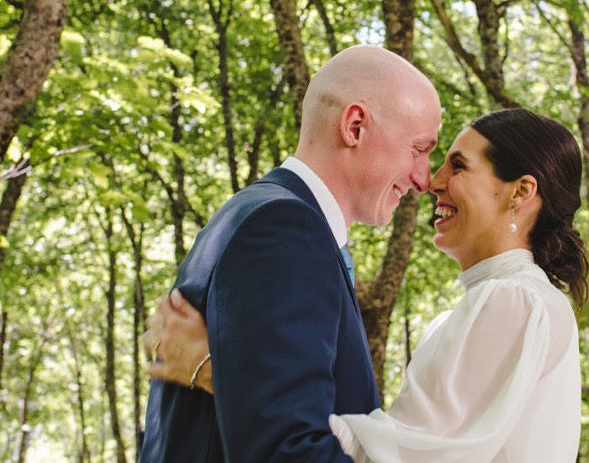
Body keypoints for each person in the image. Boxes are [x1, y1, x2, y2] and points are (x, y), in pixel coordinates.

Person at [147, 108, 589, 462]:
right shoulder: (510, 301)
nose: (432, 182)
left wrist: (215, 370)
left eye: (458, 166)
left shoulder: (514, 299)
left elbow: (395, 456)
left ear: (520, 192)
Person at [136, 44, 442, 463]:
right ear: (354, 126)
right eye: (419, 149)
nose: (424, 179)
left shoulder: (259, 213)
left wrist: (217, 372)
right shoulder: (284, 229)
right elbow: (287, 452)